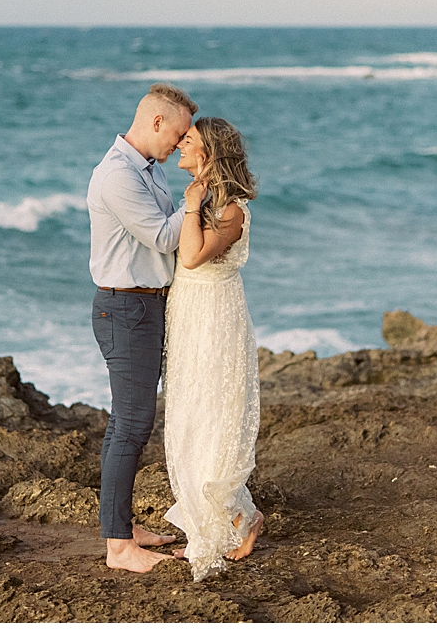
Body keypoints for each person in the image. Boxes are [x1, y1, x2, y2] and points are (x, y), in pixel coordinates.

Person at [86, 82, 198, 572]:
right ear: (156, 122)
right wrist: (199, 199)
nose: (180, 143)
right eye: (177, 133)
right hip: (124, 309)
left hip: (145, 306)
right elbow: (159, 234)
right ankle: (117, 547)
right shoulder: (116, 176)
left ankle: (123, 526)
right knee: (130, 425)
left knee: (129, 425)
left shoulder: (147, 171)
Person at [162, 116, 263, 581]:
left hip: (216, 317)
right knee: (189, 410)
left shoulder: (231, 209)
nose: (180, 145)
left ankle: (239, 520)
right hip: (190, 312)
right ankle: (219, 521)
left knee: (213, 411)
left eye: (189, 141)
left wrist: (190, 204)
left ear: (209, 153)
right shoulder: (204, 199)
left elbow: (194, 255)